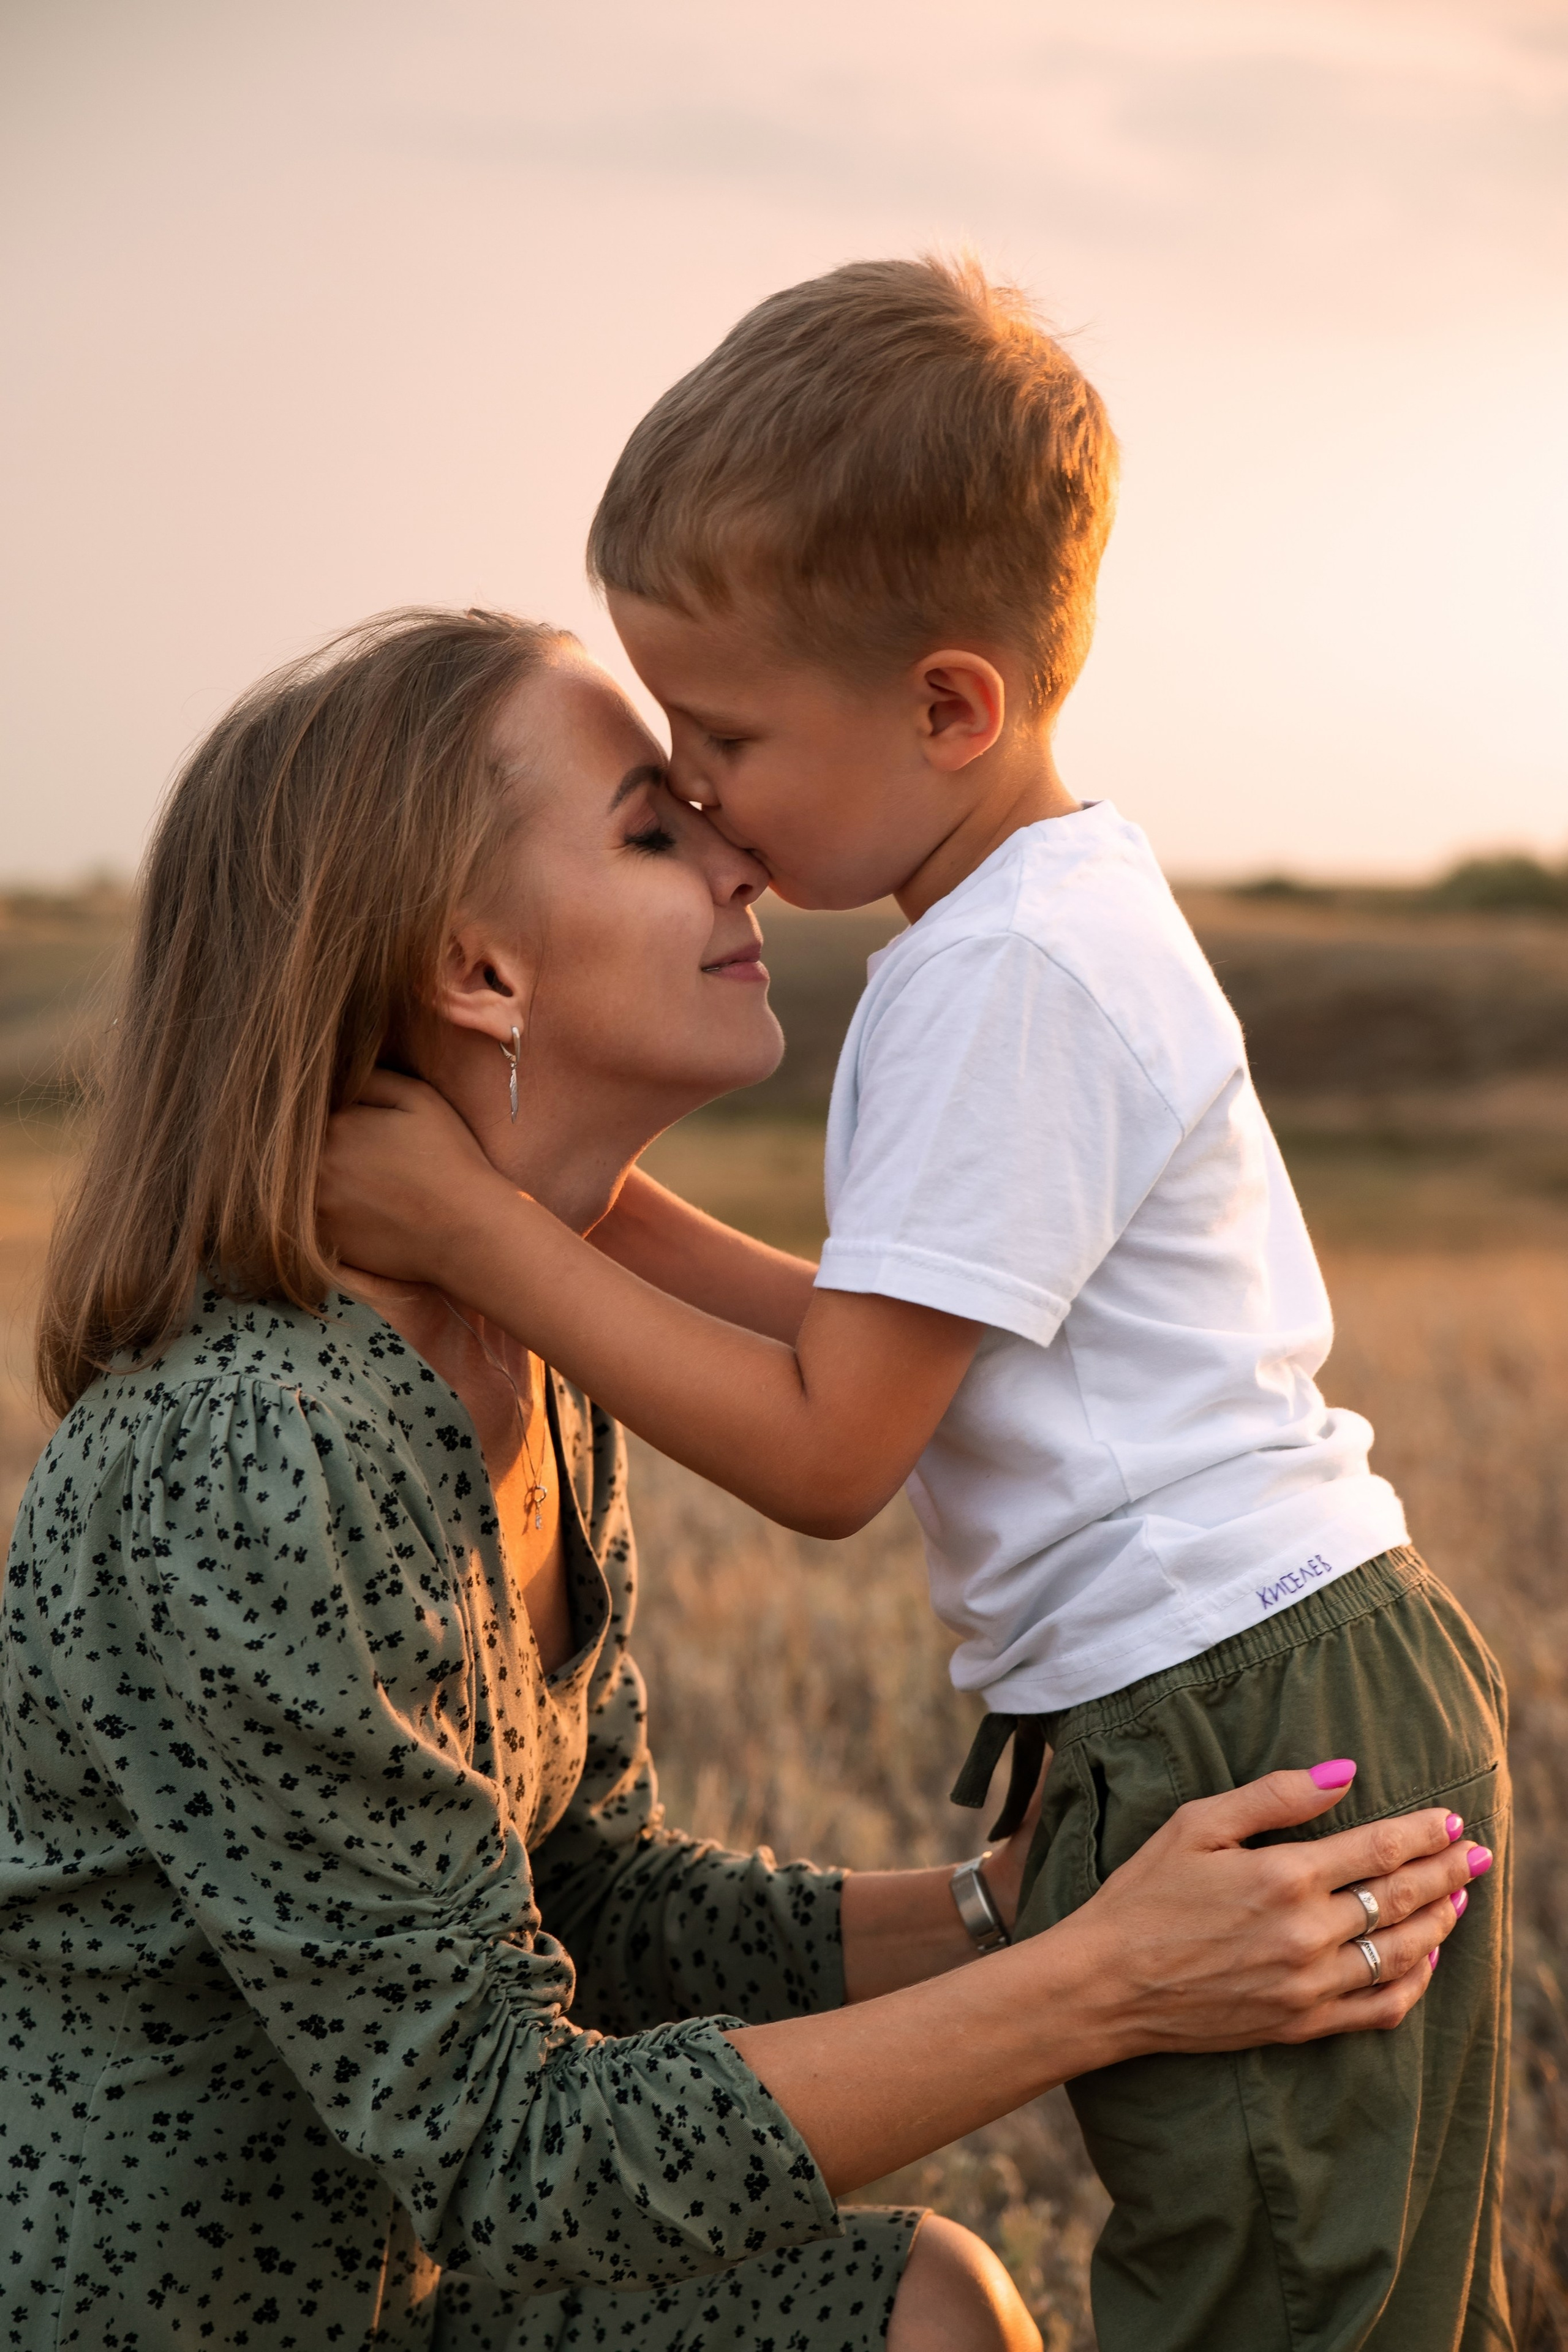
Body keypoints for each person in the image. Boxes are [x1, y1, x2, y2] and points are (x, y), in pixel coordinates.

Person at [1, 612, 1479, 2352]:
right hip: (208, 2323)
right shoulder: (259, 1447)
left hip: (406, 2282)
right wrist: (1101, 1984)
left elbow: (594, 1906)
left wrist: (1020, 1906)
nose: (741, 857)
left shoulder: (529, 1344)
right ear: (477, 971)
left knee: (931, 2301)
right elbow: (497, 2146)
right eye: (654, 825)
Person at [317, 263, 1513, 2352]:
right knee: (1329, 2285)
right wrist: (579, 1207)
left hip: (1240, 1700)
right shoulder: (1030, 922)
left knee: (1267, 2297)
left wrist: (495, 1241)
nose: (702, 798)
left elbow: (832, 1447)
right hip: (1259, 1678)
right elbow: (885, 1343)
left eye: (730, 736)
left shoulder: (1001, 982)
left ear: (951, 706)